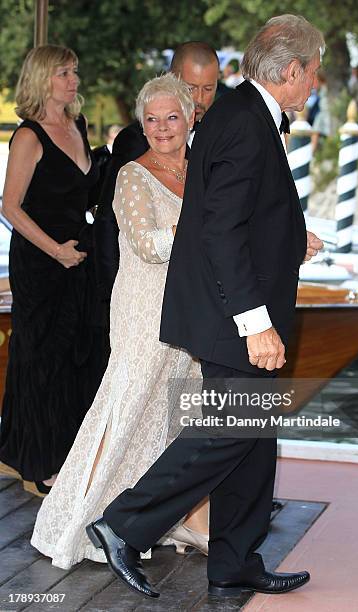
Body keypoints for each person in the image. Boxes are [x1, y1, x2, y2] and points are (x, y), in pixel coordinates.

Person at [86, 14, 325, 600]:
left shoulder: (245, 113)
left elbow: (238, 212)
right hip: (234, 316)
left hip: (231, 308)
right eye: (315, 71)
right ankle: (123, 524)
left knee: (252, 437)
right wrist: (255, 321)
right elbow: (219, 230)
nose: (317, 82)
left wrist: (294, 238)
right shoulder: (246, 121)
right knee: (224, 432)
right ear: (292, 70)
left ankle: (235, 562)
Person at [31, 74, 207, 569]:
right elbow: (149, 246)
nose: (161, 128)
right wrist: (198, 225)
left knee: (179, 414)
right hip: (143, 308)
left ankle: (174, 518)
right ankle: (78, 518)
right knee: (124, 410)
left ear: (191, 117)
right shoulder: (132, 174)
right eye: (151, 119)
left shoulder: (203, 170)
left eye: (171, 117)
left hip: (191, 309)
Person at [0, 45, 102, 494]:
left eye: (74, 71)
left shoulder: (77, 125)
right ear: (43, 78)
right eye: (64, 72)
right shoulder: (29, 136)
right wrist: (54, 251)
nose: (73, 79)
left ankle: (64, 452)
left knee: (75, 356)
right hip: (41, 261)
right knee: (40, 357)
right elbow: (9, 207)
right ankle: (38, 463)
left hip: (78, 256)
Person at [93, 41, 220, 308]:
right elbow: (107, 219)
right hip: (141, 295)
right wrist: (107, 295)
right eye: (190, 88)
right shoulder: (137, 141)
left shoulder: (217, 138)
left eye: (208, 89)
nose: (198, 98)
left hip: (193, 300)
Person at [311, 71, 331, 152]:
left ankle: (312, 152)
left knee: (316, 132)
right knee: (316, 132)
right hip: (322, 113)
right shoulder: (323, 88)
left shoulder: (323, 88)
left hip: (324, 113)